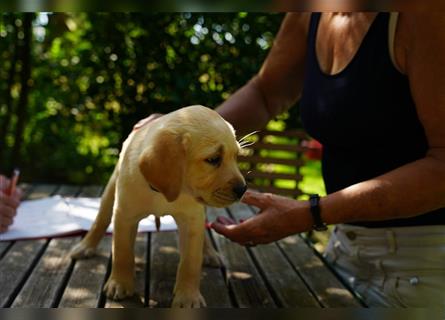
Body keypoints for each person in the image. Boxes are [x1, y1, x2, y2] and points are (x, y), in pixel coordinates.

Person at [209, 12, 445, 307]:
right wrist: (187, 131)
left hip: (427, 269)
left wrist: (312, 213)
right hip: (343, 252)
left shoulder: (424, 15)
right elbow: (265, 94)